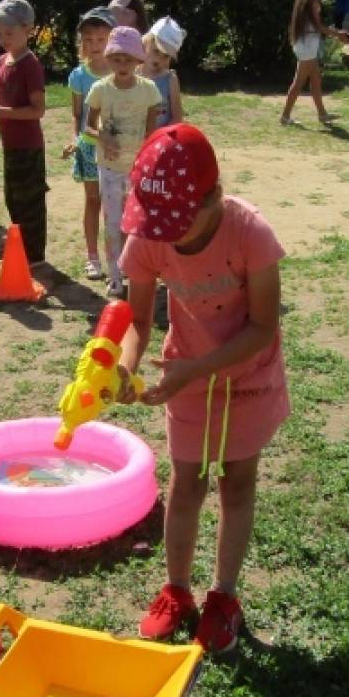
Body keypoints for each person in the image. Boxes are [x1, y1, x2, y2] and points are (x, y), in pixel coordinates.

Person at [115, 124, 289, 654]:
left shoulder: (250, 233)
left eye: (178, 222)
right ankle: (177, 591)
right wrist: (124, 363)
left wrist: (200, 368)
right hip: (186, 370)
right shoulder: (150, 236)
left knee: (236, 482)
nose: (166, 235)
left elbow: (263, 327)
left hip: (247, 374)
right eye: (157, 223)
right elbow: (137, 321)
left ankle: (224, 597)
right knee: (186, 482)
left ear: (213, 197)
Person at [85, 25, 161, 299]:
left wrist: (150, 161)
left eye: (128, 59)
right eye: (116, 58)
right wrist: (102, 137)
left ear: (139, 61)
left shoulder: (149, 91)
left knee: (139, 223)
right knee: (113, 222)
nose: (122, 64)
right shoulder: (100, 89)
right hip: (109, 168)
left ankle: (138, 269)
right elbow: (88, 128)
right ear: (108, 58)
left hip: (139, 170)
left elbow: (152, 133)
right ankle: (115, 276)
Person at [0, 0, 49, 267]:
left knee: (30, 201)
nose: (2, 37)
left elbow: (37, 110)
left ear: (28, 30)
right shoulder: (1, 60)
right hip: (9, 145)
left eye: (9, 32)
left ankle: (35, 257)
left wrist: (1, 113)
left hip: (29, 146)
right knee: (12, 198)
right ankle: (22, 247)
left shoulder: (30, 64)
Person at [62, 7, 116, 281]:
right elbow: (77, 115)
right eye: (89, 39)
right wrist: (75, 139)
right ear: (81, 42)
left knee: (115, 204)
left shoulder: (122, 73)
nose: (95, 45)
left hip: (116, 150)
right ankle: (93, 257)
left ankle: (115, 259)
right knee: (93, 200)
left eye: (101, 39)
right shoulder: (78, 76)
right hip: (88, 147)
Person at [279, 0, 349, 128]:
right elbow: (319, 27)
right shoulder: (312, 1)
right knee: (298, 83)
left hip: (307, 43)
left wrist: (336, 33)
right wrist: (338, 34)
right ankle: (285, 116)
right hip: (307, 45)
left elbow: (315, 26)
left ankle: (322, 114)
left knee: (316, 80)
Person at [140, 16, 185, 128]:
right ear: (146, 43)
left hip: (161, 141)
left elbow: (177, 118)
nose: (159, 59)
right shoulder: (131, 73)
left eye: (165, 56)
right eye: (156, 51)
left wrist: (158, 137)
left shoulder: (170, 79)